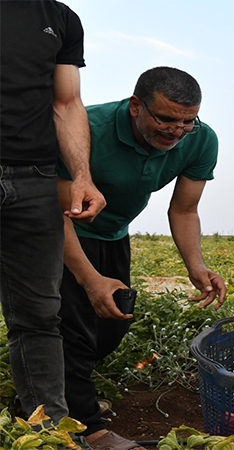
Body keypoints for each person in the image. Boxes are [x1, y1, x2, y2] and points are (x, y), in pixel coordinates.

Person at [56, 67, 226, 449]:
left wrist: (196, 267)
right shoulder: (88, 129)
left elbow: (184, 210)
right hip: (63, 229)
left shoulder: (200, 140)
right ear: (136, 106)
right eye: (165, 118)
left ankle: (60, 395)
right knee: (72, 328)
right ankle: (87, 427)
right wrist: (88, 277)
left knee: (111, 324)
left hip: (114, 233)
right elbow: (53, 206)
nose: (176, 130)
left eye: (187, 121)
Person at [0, 0, 106, 422]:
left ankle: (53, 433)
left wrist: (81, 175)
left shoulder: (60, 18)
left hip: (34, 179)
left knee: (40, 316)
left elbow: (67, 103)